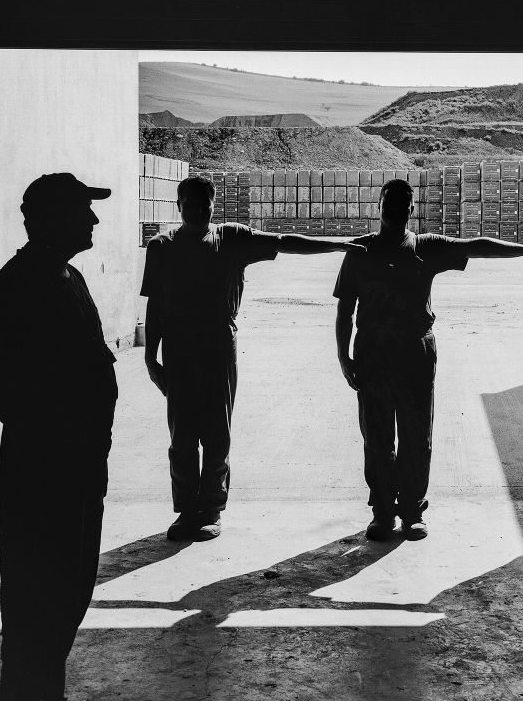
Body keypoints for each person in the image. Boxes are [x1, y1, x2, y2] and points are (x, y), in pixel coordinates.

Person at [141, 173, 364, 542]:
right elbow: (155, 308)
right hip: (179, 351)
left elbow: (284, 242)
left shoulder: (231, 239)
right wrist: (151, 359)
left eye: (203, 204)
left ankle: (211, 508)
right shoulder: (161, 247)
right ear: (178, 205)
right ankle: (186, 511)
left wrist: (338, 245)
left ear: (213, 205)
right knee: (182, 436)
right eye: (189, 204)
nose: (196, 210)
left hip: (218, 346)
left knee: (216, 432)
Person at [334, 178, 523, 542]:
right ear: (379, 206)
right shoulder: (361, 251)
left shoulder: (426, 247)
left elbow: (477, 246)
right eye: (389, 202)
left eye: (402, 203)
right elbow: (345, 309)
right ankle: (382, 512)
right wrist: (344, 356)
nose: (395, 209)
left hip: (415, 353)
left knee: (416, 436)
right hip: (373, 352)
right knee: (377, 437)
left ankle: (412, 511)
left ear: (411, 209)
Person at [0, 173, 118, 701]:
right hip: (47, 474)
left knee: (67, 592)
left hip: (79, 469)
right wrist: (69, 445)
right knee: (38, 602)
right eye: (83, 210)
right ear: (51, 219)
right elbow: (15, 397)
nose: (94, 219)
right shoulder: (22, 284)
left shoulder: (68, 276)